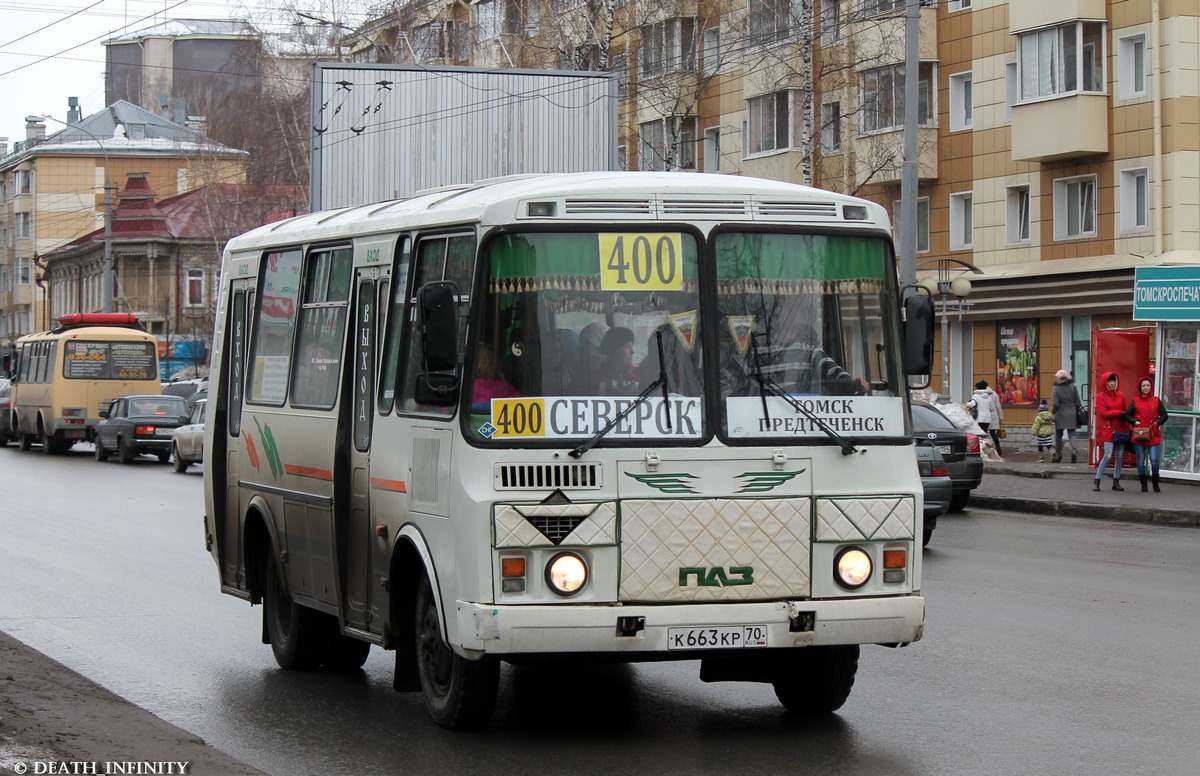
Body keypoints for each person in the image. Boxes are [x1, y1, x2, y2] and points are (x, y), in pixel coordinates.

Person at [1126, 375, 1169, 493]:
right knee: (1140, 459)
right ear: (1140, 387)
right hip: (1139, 433)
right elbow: (1127, 415)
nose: (1146, 387)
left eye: (1148, 385)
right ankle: (1143, 484)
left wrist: (1157, 423)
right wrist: (1135, 421)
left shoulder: (1156, 400)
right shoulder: (1135, 400)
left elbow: (1164, 415)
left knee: (1154, 459)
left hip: (1153, 434)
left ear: (1151, 387)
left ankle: (1155, 483)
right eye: (1143, 385)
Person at [1093, 371, 1132, 491]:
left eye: (1113, 380)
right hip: (1110, 429)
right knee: (1108, 455)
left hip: (1121, 429)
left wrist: (1129, 424)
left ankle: (1116, 481)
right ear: (1105, 382)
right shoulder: (1101, 396)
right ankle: (1097, 479)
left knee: (1120, 457)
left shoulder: (1121, 395)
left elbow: (1126, 410)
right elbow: (1104, 413)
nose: (1112, 383)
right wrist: (1119, 413)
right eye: (1109, 381)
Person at [1050, 369, 1084, 463]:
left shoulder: (1056, 388)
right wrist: (1076, 408)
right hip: (1072, 411)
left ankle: (1059, 454)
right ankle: (1074, 451)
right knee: (1072, 433)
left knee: (1058, 435)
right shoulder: (1073, 386)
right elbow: (1077, 400)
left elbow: (1055, 403)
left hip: (1060, 412)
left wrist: (1053, 411)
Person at [595, 326, 640, 395]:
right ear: (613, 349)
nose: (632, 352)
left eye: (632, 346)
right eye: (627, 347)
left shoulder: (639, 374)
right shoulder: (596, 378)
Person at [967, 380, 1004, 454]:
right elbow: (997, 407)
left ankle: (983, 451)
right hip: (991, 417)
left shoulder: (976, 396)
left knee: (981, 435)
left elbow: (972, 404)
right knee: (993, 435)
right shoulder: (993, 395)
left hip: (980, 418)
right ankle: (997, 450)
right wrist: (1001, 417)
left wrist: (965, 404)